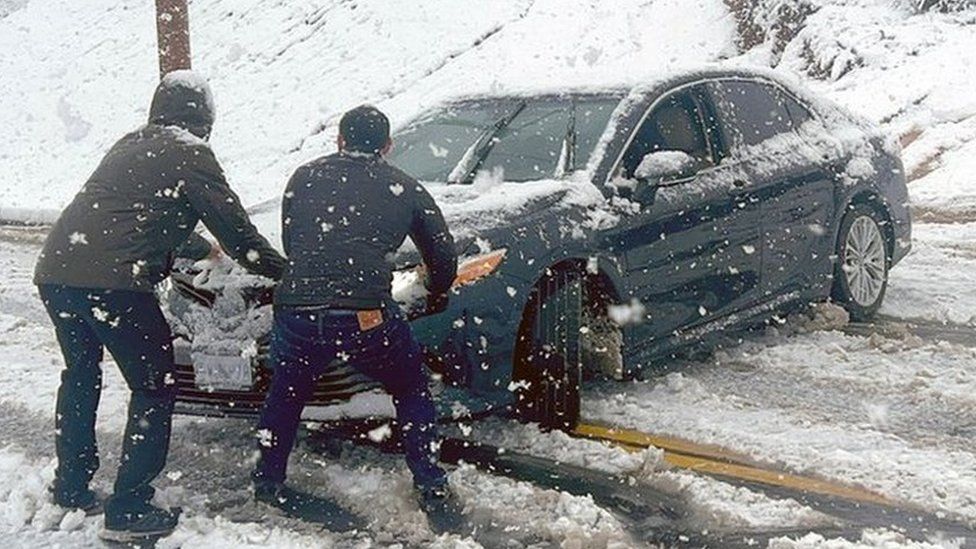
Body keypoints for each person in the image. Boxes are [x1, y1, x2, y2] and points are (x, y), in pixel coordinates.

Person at [33, 70, 286, 541]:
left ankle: (71, 486)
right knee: (154, 386)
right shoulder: (191, 153)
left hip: (58, 272)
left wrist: (200, 250)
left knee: (81, 375)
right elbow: (240, 236)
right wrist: (289, 274)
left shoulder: (131, 144)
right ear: (204, 117)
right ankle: (129, 509)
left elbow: (140, 215)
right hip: (116, 285)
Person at [252, 105, 458, 525]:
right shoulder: (404, 186)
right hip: (365, 314)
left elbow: (295, 243)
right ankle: (429, 480)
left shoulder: (303, 176)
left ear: (340, 140)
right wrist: (433, 287)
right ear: (387, 146)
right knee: (410, 386)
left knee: (286, 393)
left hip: (297, 309)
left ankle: (267, 479)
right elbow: (443, 257)